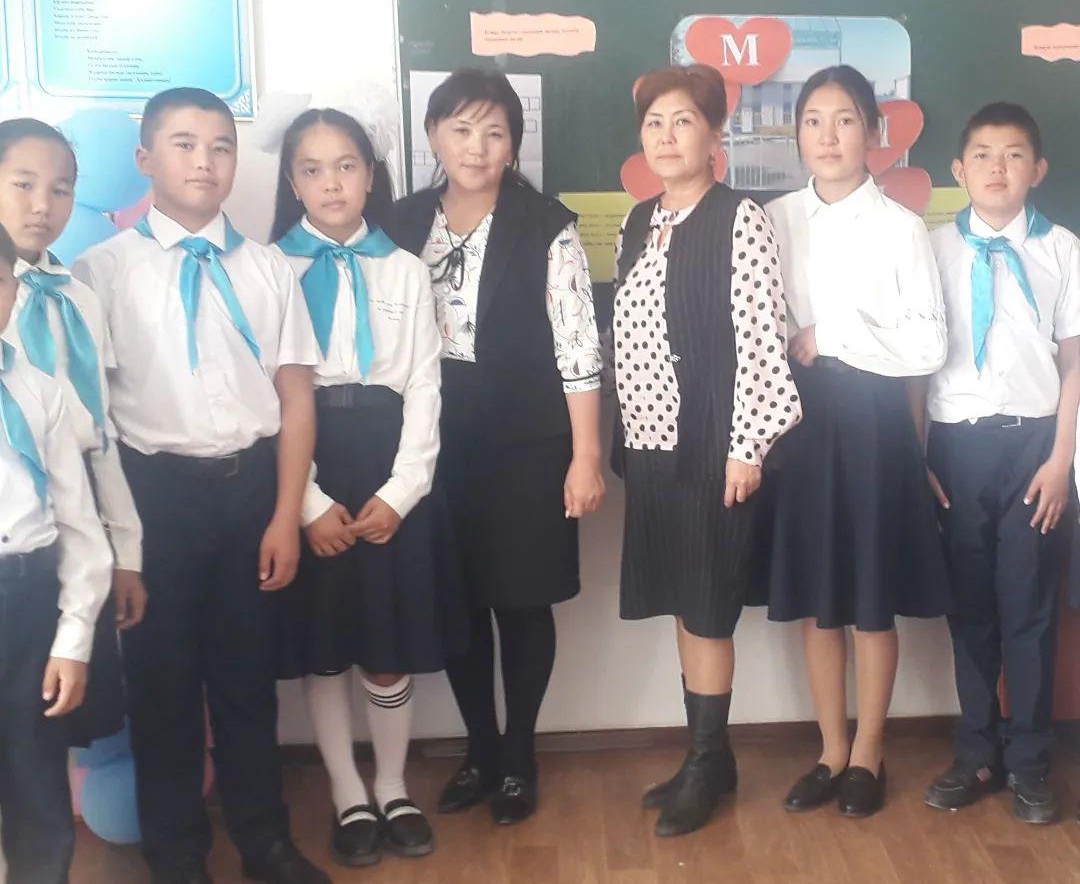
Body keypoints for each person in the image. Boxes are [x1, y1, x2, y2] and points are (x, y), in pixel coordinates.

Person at [75, 88, 328, 884]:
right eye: (184, 144)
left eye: (221, 146)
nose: (205, 161)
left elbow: (296, 400)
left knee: (249, 682)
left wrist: (285, 516)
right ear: (145, 159)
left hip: (250, 492)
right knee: (163, 688)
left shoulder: (267, 268)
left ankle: (266, 843)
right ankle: (178, 855)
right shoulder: (100, 273)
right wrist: (118, 544)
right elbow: (92, 420)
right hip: (152, 500)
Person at [390, 68, 605, 825]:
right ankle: (478, 749)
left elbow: (578, 347)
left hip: (526, 441)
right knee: (457, 602)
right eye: (460, 129)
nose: (476, 147)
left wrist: (585, 456)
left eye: (494, 132)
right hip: (430, 442)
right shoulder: (399, 223)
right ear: (432, 136)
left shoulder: (546, 224)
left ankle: (519, 755)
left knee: (520, 601)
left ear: (514, 143)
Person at [271, 107, 465, 866]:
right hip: (307, 462)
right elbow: (265, 396)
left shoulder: (405, 268)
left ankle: (392, 785)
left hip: (389, 466)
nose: (331, 183)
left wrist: (403, 490)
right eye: (313, 169)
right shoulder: (266, 269)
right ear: (292, 182)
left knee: (387, 647)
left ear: (371, 175)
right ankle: (347, 791)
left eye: (346, 165)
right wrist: (307, 504)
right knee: (326, 649)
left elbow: (424, 384)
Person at [612, 64, 800, 837]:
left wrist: (746, 447)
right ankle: (708, 759)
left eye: (683, 121)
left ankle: (705, 763)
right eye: (654, 122)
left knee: (708, 608)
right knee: (682, 602)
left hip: (715, 446)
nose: (666, 136)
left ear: (715, 135)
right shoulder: (637, 221)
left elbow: (762, 341)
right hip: (651, 448)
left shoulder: (738, 218)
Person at [759, 65, 950, 818]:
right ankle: (829, 751)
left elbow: (928, 345)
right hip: (797, 423)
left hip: (873, 423)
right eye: (813, 120)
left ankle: (869, 751)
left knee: (871, 599)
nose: (828, 136)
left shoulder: (901, 227)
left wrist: (831, 334)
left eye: (844, 120)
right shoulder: (771, 219)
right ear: (797, 133)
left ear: (873, 132)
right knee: (818, 599)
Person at [921, 103, 1080, 825]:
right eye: (982, 154)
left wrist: (1061, 458)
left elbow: (1074, 362)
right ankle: (977, 751)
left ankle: (1031, 761)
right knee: (971, 609)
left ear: (1037, 170)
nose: (997, 167)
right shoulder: (931, 249)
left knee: (1031, 608)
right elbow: (915, 366)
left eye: (1014, 154)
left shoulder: (1063, 250)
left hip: (1035, 451)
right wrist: (918, 454)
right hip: (955, 449)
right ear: (959, 170)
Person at [0, 117, 145, 749]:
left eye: (61, 189)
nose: (43, 205)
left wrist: (126, 552)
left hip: (75, 518)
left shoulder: (78, 297)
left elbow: (99, 432)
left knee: (50, 717)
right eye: (23, 183)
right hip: (16, 521)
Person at [0, 221, 113, 884]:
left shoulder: (39, 391)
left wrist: (73, 641)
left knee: (36, 775)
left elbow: (79, 529)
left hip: (28, 602)